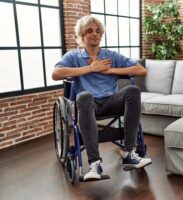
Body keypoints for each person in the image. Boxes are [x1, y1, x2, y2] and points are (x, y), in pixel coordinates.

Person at [52, 15, 152, 181]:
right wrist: (90, 68)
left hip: (111, 102)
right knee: (83, 96)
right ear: (82, 35)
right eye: (89, 31)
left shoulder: (111, 56)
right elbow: (56, 74)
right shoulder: (73, 56)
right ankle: (94, 164)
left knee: (133, 90)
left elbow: (142, 70)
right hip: (89, 105)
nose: (94, 34)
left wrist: (112, 70)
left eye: (98, 31)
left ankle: (129, 153)